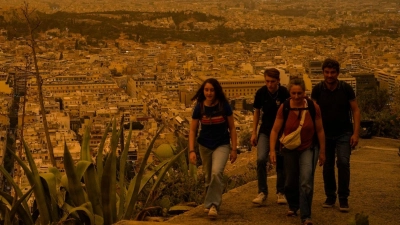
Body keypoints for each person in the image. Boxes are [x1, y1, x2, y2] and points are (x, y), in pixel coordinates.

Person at [270, 79, 326, 225]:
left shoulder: (313, 107)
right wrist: (272, 151)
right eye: (293, 93)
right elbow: (275, 130)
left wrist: (322, 152)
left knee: (306, 181)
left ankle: (306, 215)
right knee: (290, 181)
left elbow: (320, 130)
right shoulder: (285, 107)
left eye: (299, 93)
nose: (296, 96)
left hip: (308, 147)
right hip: (289, 148)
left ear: (305, 92)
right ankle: (294, 205)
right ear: (289, 93)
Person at [311, 58, 360, 212]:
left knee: (343, 163)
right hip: (324, 134)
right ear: (323, 73)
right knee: (327, 165)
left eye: (332, 72)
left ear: (337, 73)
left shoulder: (345, 88)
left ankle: (343, 198)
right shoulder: (318, 90)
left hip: (344, 133)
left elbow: (355, 110)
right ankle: (330, 196)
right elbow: (313, 113)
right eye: (327, 72)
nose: (330, 75)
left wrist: (356, 133)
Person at [188, 78, 237, 219]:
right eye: (206, 90)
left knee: (216, 172)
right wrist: (191, 150)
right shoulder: (199, 107)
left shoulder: (224, 106)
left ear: (217, 91)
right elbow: (192, 130)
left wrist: (234, 149)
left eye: (212, 90)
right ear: (203, 91)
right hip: (205, 145)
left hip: (222, 143)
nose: (209, 93)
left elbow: (232, 128)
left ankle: (213, 205)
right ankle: (209, 204)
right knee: (208, 176)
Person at [251, 68, 290, 206]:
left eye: (272, 82)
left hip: (281, 132)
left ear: (278, 81)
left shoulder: (284, 93)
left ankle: (281, 192)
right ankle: (262, 191)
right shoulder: (261, 93)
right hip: (265, 131)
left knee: (281, 161)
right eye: (267, 81)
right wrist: (254, 132)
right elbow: (256, 112)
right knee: (261, 159)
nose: (270, 84)